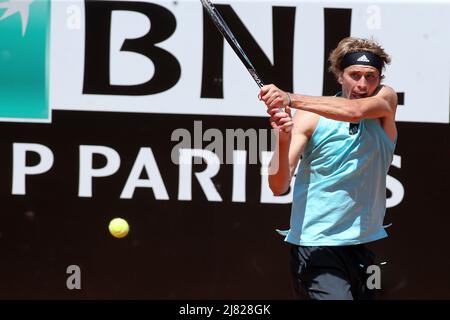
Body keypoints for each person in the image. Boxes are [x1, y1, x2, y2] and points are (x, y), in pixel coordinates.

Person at [259, 37, 397, 300]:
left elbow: (355, 111)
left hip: (365, 250)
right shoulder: (310, 118)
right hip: (318, 249)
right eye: (354, 75)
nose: (363, 84)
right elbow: (278, 187)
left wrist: (288, 98)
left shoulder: (385, 102)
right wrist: (282, 138)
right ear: (339, 76)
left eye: (371, 76)